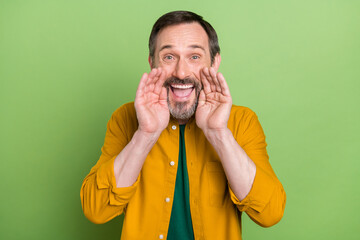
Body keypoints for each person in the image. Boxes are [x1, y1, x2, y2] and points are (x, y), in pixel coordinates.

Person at [80, 10, 286, 240]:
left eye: (194, 57)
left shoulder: (242, 122)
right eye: (169, 57)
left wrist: (218, 133)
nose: (181, 72)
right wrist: (145, 134)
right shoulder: (126, 119)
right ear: (152, 62)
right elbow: (95, 210)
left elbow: (270, 213)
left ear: (215, 61)